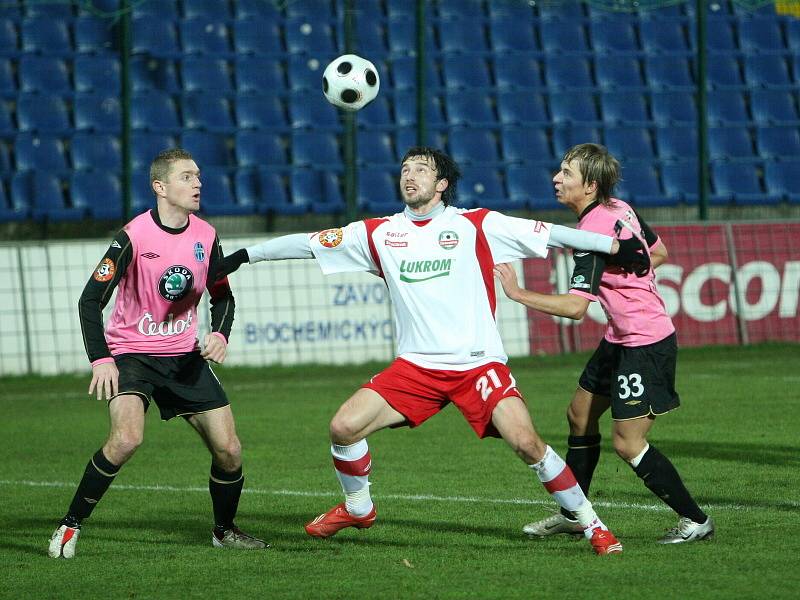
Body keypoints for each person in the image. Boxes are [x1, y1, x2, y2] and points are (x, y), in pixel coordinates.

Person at [211, 146, 649, 555]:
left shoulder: (477, 224)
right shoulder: (379, 233)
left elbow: (554, 235)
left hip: (478, 366)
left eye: (421, 169)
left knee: (527, 442)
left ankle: (592, 524)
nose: (410, 175)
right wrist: (246, 254)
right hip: (416, 368)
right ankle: (359, 508)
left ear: (441, 184)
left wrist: (614, 245)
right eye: (404, 169)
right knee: (343, 427)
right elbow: (308, 243)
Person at [48, 149, 266, 559]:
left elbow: (222, 296)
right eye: (187, 177)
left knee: (230, 449)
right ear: (160, 187)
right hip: (133, 356)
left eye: (199, 176)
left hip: (184, 358)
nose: (198, 184)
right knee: (127, 438)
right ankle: (70, 525)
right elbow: (89, 300)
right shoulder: (132, 236)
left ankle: (224, 531)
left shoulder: (206, 235)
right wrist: (102, 359)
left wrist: (220, 334)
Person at [494, 143, 714, 544]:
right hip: (620, 337)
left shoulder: (590, 234)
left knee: (628, 444)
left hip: (646, 343)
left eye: (566, 173)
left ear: (590, 185)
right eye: (559, 170)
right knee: (579, 415)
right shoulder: (619, 208)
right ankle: (575, 515)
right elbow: (658, 252)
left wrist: (518, 293)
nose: (556, 179)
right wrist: (629, 276)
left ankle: (695, 519)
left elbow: (577, 308)